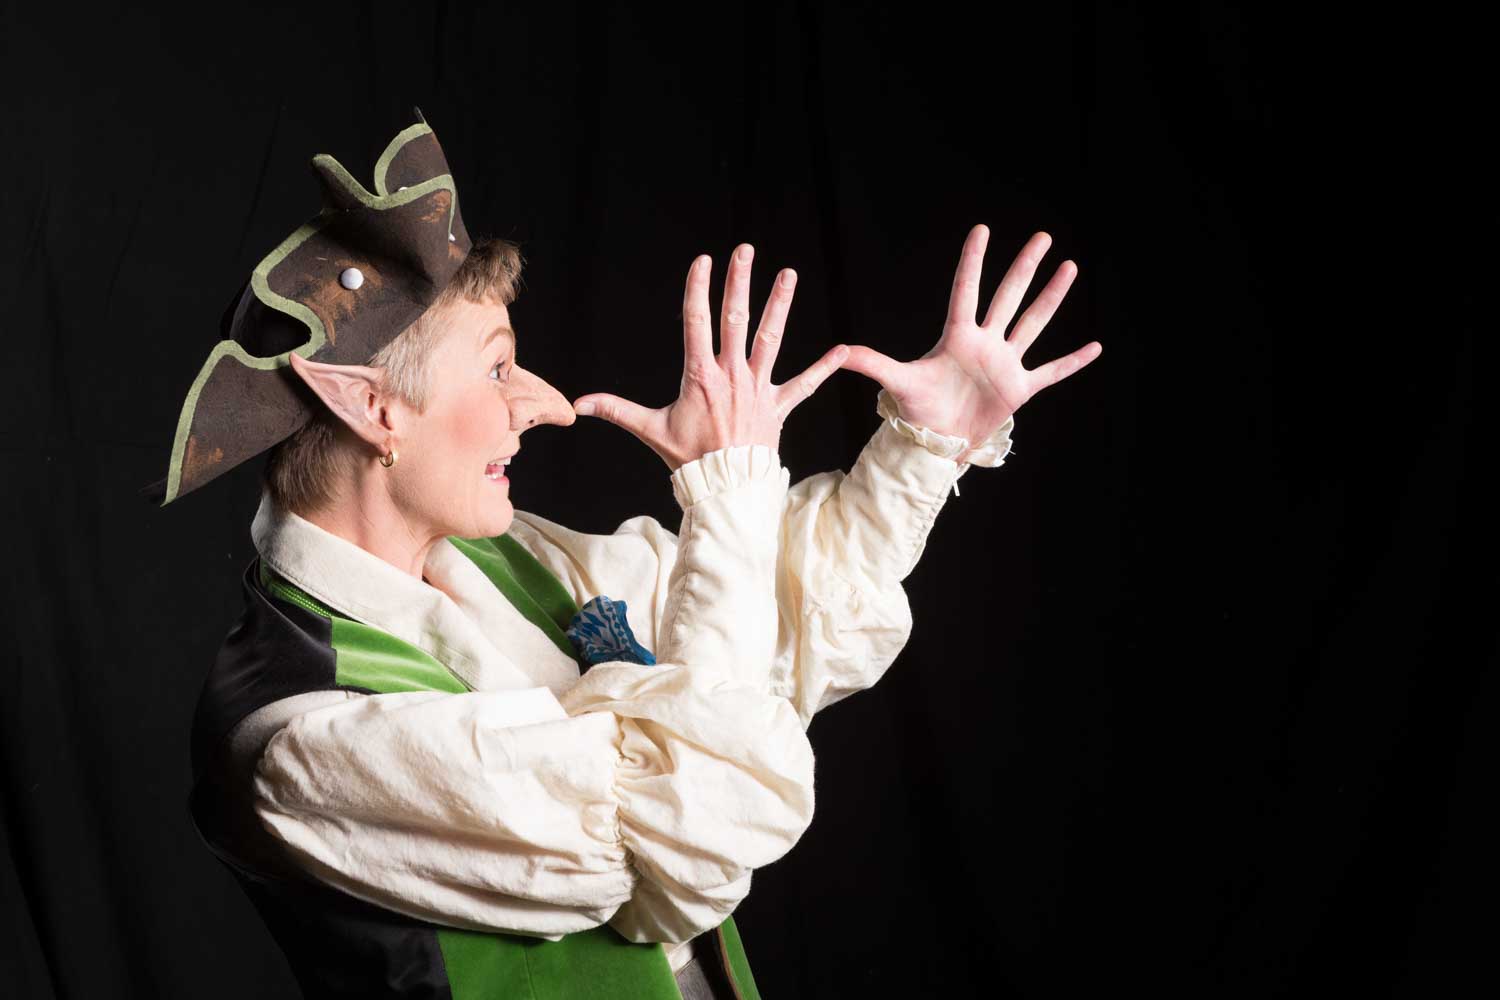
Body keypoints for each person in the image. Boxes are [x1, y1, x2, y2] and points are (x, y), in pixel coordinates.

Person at [151, 110, 1098, 999]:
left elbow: (755, 639)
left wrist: (920, 453)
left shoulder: (506, 558)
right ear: (374, 409)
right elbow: (706, 820)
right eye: (495, 366)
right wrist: (727, 481)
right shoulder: (299, 739)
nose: (543, 404)